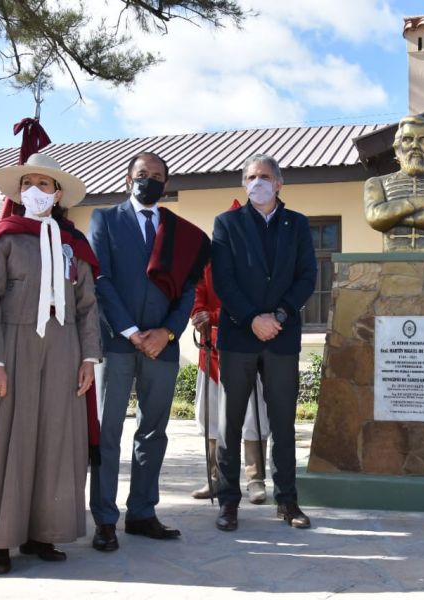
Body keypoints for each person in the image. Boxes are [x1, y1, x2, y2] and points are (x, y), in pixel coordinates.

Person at [0, 153, 101, 575]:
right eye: (28, 183)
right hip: (11, 347)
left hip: (65, 348)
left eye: (45, 184)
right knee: (4, 440)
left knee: (55, 439)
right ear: (19, 192)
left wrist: (89, 358)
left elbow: (88, 306)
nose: (36, 190)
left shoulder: (75, 245)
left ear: (57, 194)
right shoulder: (5, 238)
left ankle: (41, 532)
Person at [88, 151, 207, 552]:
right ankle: (104, 519)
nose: (149, 180)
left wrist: (168, 333)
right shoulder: (104, 219)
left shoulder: (179, 232)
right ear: (128, 178)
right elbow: (100, 279)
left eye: (157, 175)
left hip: (163, 346)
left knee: (154, 431)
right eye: (142, 174)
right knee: (108, 433)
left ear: (166, 183)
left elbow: (189, 287)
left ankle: (142, 512)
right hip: (117, 343)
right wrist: (133, 331)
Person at [211, 153, 317, 531]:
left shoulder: (298, 224)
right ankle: (228, 503)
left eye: (264, 176)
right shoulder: (226, 223)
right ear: (244, 184)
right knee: (231, 424)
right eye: (250, 176)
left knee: (283, 423)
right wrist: (252, 318)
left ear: (278, 184)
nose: (257, 182)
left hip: (282, 337)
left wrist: (280, 316)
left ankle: (288, 502)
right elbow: (223, 279)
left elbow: (307, 277)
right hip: (239, 335)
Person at [191, 238, 271, 504]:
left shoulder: (254, 266)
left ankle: (255, 478)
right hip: (211, 347)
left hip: (246, 347)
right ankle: (216, 478)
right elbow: (198, 291)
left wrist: (212, 315)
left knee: (251, 415)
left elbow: (248, 302)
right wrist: (199, 313)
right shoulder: (208, 265)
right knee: (213, 415)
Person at [363, 115, 424, 252]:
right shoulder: (376, 183)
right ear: (397, 148)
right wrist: (421, 202)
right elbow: (375, 217)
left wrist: (395, 216)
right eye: (408, 139)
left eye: (423, 140)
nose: (415, 146)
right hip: (393, 263)